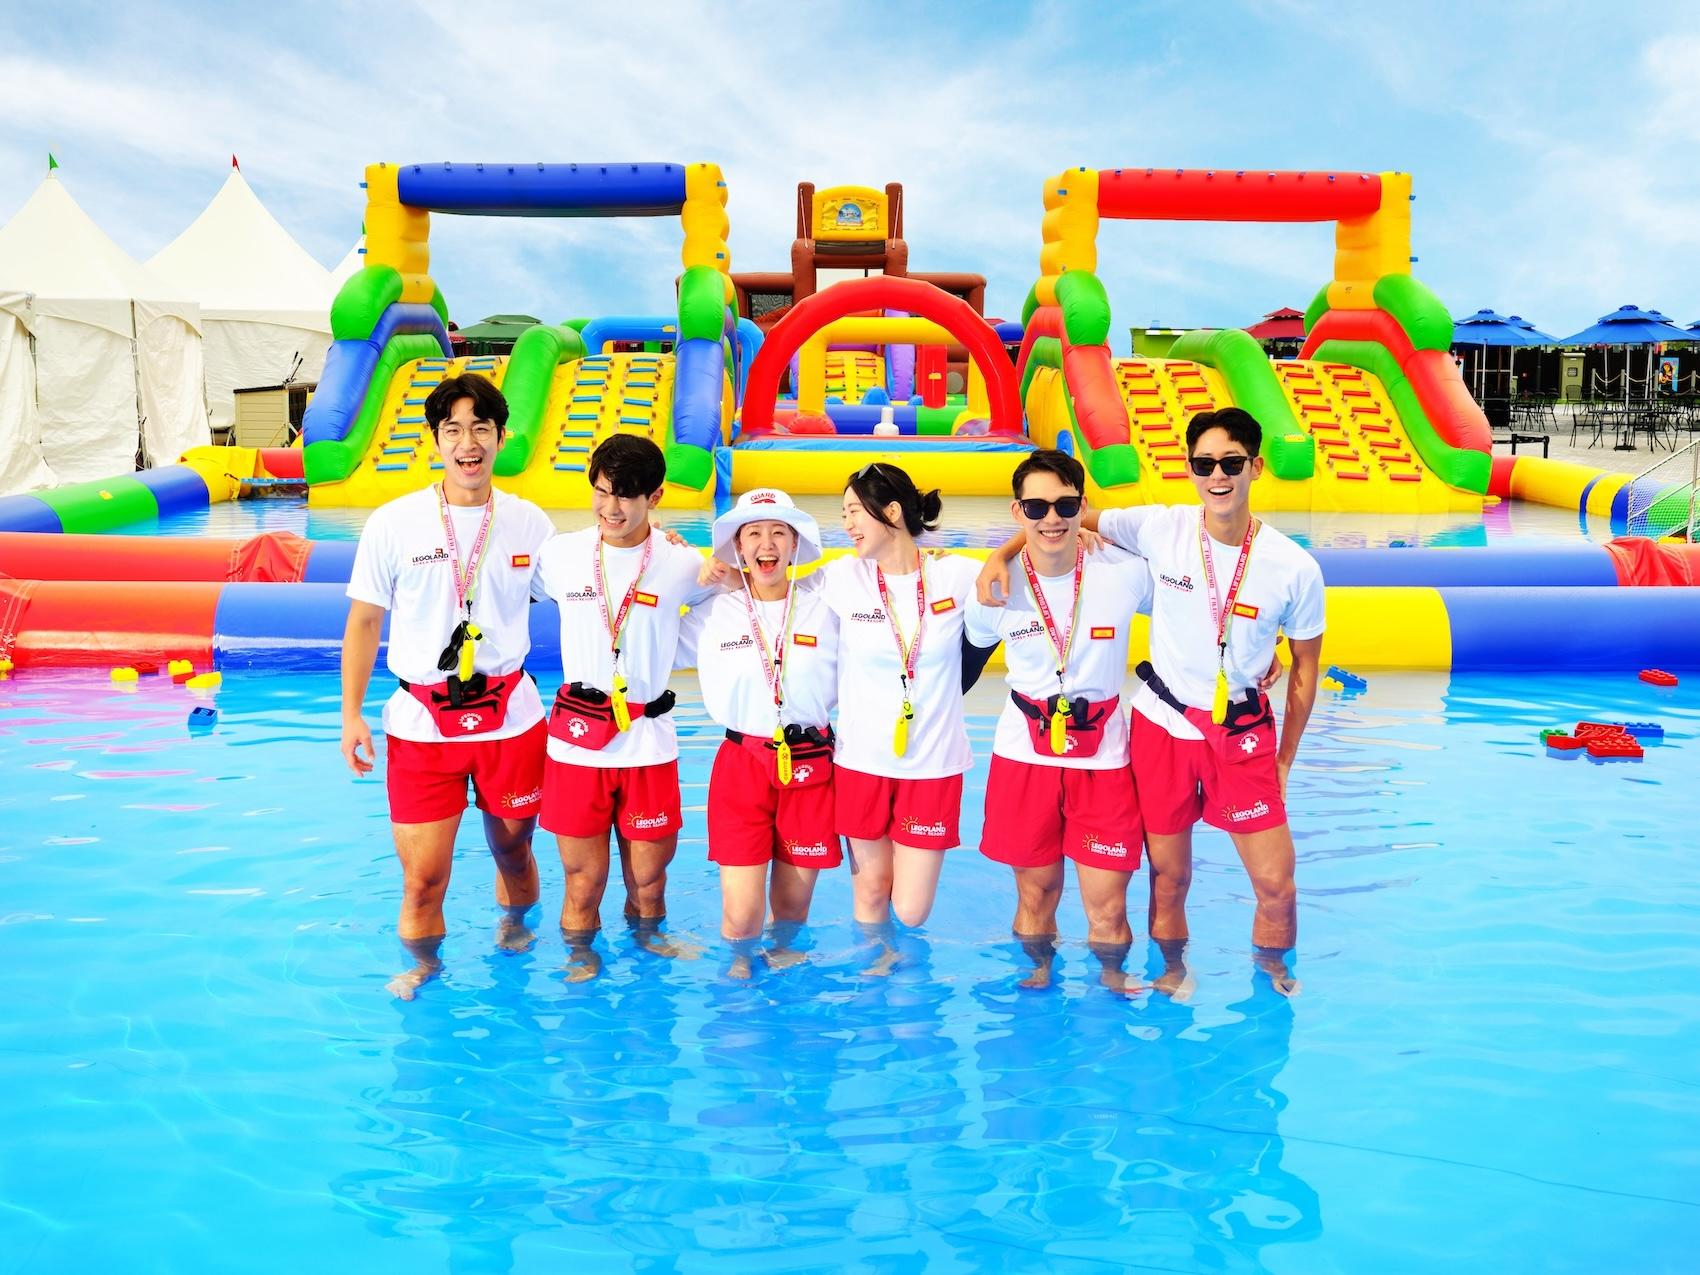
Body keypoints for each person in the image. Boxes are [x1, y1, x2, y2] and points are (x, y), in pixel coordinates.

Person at [980, 407, 1322, 995]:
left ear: (1255, 467)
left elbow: (1307, 668)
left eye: (1231, 463)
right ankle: (1171, 971)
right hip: (1162, 727)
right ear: (1189, 470)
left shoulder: (1294, 567)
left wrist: (1286, 755)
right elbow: (1063, 512)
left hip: (1240, 733)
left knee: (1277, 884)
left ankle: (1273, 976)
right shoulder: (1159, 529)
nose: (1218, 475)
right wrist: (998, 554)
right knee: (1168, 877)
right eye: (1204, 463)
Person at [340, 372, 556, 1000]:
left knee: (515, 853)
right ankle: (424, 968)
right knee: (423, 879)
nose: (468, 443)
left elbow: (593, 573)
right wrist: (350, 714)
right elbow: (363, 620)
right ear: (435, 439)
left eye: (481, 428)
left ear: (501, 438)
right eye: (454, 429)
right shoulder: (393, 523)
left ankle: (515, 933)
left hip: (511, 718)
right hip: (421, 722)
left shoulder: (528, 524)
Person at [962, 449, 1153, 994]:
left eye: (1066, 504)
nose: (1052, 517)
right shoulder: (994, 589)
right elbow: (960, 665)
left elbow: (1191, 615)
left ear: (1082, 507)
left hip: (1106, 761)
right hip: (1024, 759)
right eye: (1037, 506)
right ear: (1017, 511)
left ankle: (1114, 982)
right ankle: (1037, 975)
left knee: (1108, 905)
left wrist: (1260, 654)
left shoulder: (1125, 574)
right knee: (1036, 895)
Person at [534, 434, 719, 978]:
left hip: (648, 743)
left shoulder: (683, 562)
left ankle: (648, 945)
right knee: (583, 879)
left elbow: (733, 600)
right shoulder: (560, 555)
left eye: (625, 497)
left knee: (648, 878)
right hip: (577, 746)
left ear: (656, 497)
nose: (610, 508)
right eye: (601, 493)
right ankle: (580, 955)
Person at [679, 488, 840, 979]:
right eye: (753, 534)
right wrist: (699, 576)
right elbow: (646, 632)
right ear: (737, 547)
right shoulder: (712, 614)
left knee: (791, 916)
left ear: (795, 545)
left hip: (812, 761)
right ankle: (740, 976)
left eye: (778, 533)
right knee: (741, 916)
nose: (766, 544)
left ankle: (786, 998)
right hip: (741, 764)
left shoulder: (827, 604)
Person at [820, 462, 980, 950]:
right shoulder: (840, 578)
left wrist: (1085, 536)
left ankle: (898, 964)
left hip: (932, 765)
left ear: (891, 511)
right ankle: (874, 986)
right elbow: (765, 581)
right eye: (843, 512)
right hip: (862, 762)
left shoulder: (957, 575)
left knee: (911, 910)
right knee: (870, 890)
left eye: (854, 511)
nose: (846, 524)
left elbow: (1024, 569)